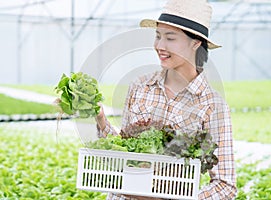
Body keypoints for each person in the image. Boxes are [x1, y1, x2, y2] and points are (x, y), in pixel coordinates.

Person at [96, 0, 237, 199]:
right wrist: (100, 119)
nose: (159, 46)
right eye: (158, 36)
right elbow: (124, 150)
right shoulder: (140, 86)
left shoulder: (212, 105)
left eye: (170, 38)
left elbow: (225, 186)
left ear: (195, 43)